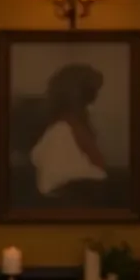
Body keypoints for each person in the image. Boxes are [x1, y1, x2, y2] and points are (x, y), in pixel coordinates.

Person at [29, 63, 108, 197]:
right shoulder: (63, 129)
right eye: (92, 91)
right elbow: (54, 182)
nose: (95, 97)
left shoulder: (74, 124)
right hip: (71, 199)